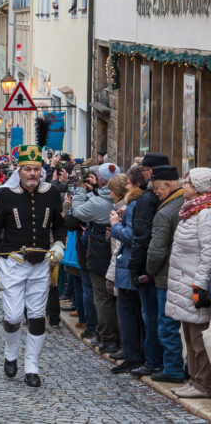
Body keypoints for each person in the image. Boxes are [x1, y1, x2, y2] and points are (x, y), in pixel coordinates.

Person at [0, 145, 66, 387]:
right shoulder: (6, 195)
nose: (32, 174)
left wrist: (59, 243)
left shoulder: (52, 193)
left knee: (37, 316)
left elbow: (59, 224)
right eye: (28, 169)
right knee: (14, 315)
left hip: (41, 264)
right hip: (13, 262)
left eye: (36, 169)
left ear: (41, 171)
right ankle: (10, 352)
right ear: (19, 171)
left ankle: (31, 367)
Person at [165, 168, 211, 397]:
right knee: (190, 336)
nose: (184, 185)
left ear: (200, 187)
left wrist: (199, 286)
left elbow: (208, 253)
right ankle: (194, 380)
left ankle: (203, 383)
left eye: (188, 182)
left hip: (194, 285)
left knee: (199, 338)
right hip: (183, 284)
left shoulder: (206, 214)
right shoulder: (191, 210)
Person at [67, 162, 121, 354]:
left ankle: (107, 337)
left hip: (100, 251)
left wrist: (80, 192)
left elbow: (78, 213)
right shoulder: (119, 198)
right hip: (113, 252)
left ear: (100, 179)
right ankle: (112, 336)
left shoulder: (99, 201)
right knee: (114, 298)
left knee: (102, 296)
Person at [129, 153, 169, 378]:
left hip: (149, 266)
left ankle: (154, 360)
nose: (141, 172)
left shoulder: (147, 199)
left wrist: (135, 268)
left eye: (143, 169)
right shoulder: (159, 197)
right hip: (156, 265)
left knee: (152, 316)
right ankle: (156, 359)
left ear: (150, 171)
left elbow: (141, 236)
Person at [146, 164, 186, 384]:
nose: (155, 192)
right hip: (182, 274)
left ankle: (172, 369)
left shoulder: (166, 211)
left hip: (166, 276)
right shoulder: (184, 204)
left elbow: (157, 250)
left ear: (168, 185)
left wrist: (149, 271)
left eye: (157, 188)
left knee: (167, 324)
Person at [108, 171, 144, 373]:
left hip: (129, 264)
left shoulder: (134, 204)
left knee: (128, 313)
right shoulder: (140, 203)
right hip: (133, 265)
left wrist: (115, 225)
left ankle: (133, 356)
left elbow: (130, 235)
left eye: (129, 184)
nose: (127, 188)